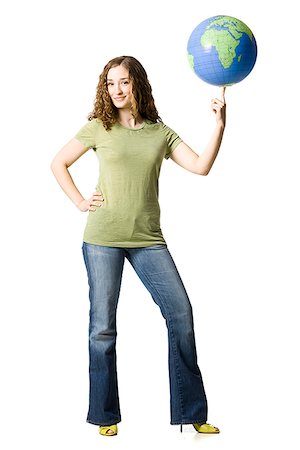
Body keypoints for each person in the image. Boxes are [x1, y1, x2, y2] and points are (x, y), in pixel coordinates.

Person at [50, 55, 226, 437]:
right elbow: (58, 163)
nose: (116, 90)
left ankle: (191, 411)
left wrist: (219, 125)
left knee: (180, 313)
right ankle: (104, 415)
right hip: (102, 239)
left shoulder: (159, 133)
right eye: (110, 83)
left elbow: (200, 166)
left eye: (123, 82)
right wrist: (81, 202)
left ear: (138, 85)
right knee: (102, 329)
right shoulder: (98, 127)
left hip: (148, 240)